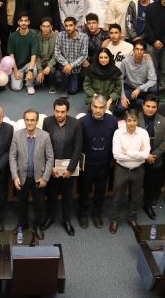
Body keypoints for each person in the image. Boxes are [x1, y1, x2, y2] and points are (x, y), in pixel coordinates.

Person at [10, 109, 54, 240]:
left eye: (32, 120)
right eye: (27, 120)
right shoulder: (17, 135)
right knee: (21, 204)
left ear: (37, 121)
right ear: (24, 120)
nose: (29, 122)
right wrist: (15, 176)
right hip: (21, 178)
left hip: (39, 178)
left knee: (39, 205)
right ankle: (22, 224)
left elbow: (50, 158)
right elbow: (12, 157)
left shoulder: (45, 136)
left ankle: (37, 226)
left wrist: (45, 178)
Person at [41, 98, 82, 236]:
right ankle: (50, 218)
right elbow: (45, 146)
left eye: (62, 112)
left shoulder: (76, 124)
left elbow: (77, 148)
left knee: (67, 196)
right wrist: (50, 167)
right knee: (51, 195)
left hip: (68, 169)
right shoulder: (47, 122)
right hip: (52, 168)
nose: (59, 114)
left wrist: (70, 169)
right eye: (57, 111)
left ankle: (67, 221)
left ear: (67, 111)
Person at [78, 95, 118, 229]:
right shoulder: (82, 122)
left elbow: (115, 142)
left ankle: (96, 215)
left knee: (100, 192)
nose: (98, 110)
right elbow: (79, 144)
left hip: (104, 165)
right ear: (91, 106)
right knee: (84, 191)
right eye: (95, 107)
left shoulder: (113, 121)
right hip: (87, 165)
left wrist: (112, 160)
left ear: (106, 108)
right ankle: (82, 214)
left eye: (101, 107)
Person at [109, 110, 150, 233]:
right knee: (117, 196)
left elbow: (146, 154)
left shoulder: (143, 133)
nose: (132, 123)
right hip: (121, 169)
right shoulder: (118, 133)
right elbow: (117, 155)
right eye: (129, 120)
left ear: (138, 121)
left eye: (134, 120)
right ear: (125, 121)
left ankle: (132, 218)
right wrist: (138, 154)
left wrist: (127, 152)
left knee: (136, 196)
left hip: (138, 170)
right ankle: (114, 220)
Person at [139, 96, 165, 219]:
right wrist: (145, 156)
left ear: (157, 107)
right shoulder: (135, 118)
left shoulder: (164, 120)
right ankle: (132, 206)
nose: (150, 109)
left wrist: (153, 156)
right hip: (138, 159)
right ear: (143, 105)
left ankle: (147, 205)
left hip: (155, 159)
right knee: (135, 184)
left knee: (150, 185)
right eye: (148, 106)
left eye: (153, 107)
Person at [119, 40, 157, 111]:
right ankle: (138, 102)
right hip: (129, 88)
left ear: (144, 51)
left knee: (154, 89)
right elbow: (119, 79)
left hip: (143, 89)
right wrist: (123, 97)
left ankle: (136, 102)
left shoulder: (148, 61)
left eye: (141, 49)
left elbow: (153, 79)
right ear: (133, 50)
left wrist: (139, 88)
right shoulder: (125, 61)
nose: (139, 52)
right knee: (120, 108)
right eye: (137, 49)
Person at [54, 17, 88, 95]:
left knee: (73, 90)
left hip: (76, 66)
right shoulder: (60, 35)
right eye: (66, 26)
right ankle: (64, 90)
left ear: (75, 26)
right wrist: (67, 65)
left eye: (70, 25)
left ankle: (72, 81)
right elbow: (57, 53)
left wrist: (71, 65)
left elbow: (84, 55)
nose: (68, 28)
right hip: (64, 63)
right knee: (65, 71)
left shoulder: (83, 37)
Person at [8, 14, 40, 94]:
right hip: (17, 66)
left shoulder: (34, 36)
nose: (23, 23)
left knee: (34, 69)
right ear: (18, 22)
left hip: (28, 64)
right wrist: (15, 71)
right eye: (21, 21)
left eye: (25, 21)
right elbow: (11, 55)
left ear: (28, 22)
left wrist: (30, 71)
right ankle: (22, 78)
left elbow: (34, 56)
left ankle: (29, 84)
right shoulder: (13, 36)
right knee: (16, 88)